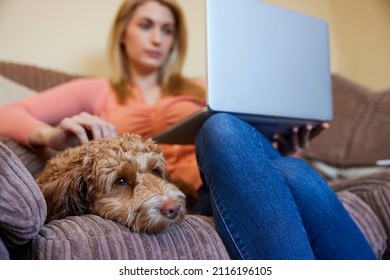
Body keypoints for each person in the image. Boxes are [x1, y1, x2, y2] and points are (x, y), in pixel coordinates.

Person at [0, 0, 376, 260]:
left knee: (282, 162)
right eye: (146, 25)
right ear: (122, 33)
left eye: (167, 30)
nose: (157, 38)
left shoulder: (199, 87)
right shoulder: (97, 90)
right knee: (222, 128)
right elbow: (8, 112)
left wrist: (279, 142)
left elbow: (241, 155)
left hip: (237, 178)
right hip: (197, 196)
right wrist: (47, 136)